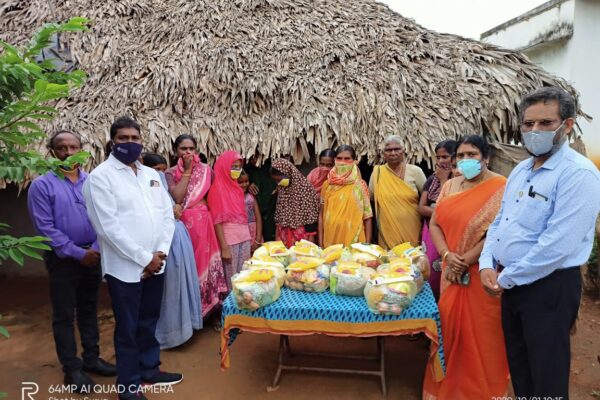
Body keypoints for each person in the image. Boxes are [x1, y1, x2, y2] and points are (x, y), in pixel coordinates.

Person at [479, 87, 600, 399]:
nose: (534, 131)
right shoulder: (520, 170)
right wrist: (485, 265)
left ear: (567, 125)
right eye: (528, 124)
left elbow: (557, 245)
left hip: (549, 287)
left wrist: (505, 278)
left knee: (546, 371)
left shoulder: (578, 174)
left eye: (545, 123)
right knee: (520, 365)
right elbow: (500, 221)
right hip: (511, 282)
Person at [83, 117, 181, 400]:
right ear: (113, 141)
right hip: (125, 268)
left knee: (149, 320)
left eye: (134, 138)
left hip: (156, 263)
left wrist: (159, 252)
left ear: (141, 141)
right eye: (123, 138)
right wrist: (144, 258)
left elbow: (166, 215)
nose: (129, 143)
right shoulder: (100, 177)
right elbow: (107, 228)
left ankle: (149, 369)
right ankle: (128, 386)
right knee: (127, 328)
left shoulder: (152, 175)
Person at [27, 130, 116, 393]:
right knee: (64, 315)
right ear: (52, 151)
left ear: (82, 149)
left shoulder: (93, 181)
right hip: (63, 260)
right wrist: (79, 253)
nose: (68, 153)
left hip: (94, 255)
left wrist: (96, 249)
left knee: (89, 309)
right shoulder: (41, 185)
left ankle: (91, 359)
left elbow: (106, 218)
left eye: (73, 147)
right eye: (61, 148)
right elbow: (46, 228)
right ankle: (72, 368)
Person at [423, 135, 509, 399]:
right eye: (460, 155)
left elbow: (497, 232)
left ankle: (483, 391)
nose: (465, 160)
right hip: (451, 271)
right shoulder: (450, 186)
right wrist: (449, 256)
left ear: (486, 158)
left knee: (483, 336)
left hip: (482, 273)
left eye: (471, 155)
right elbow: (435, 223)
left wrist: (466, 260)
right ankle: (446, 389)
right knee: (448, 329)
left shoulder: (501, 187)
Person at [165, 135, 227, 324]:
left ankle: (213, 314)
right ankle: (192, 317)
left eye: (191, 148)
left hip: (205, 226)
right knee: (189, 269)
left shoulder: (207, 171)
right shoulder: (170, 173)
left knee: (208, 267)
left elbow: (217, 196)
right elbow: (177, 198)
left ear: (196, 150)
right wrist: (188, 171)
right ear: (176, 150)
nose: (187, 152)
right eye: (183, 149)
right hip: (183, 229)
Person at [142, 152, 202, 349]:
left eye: (162, 170)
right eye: (155, 170)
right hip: (163, 243)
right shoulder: (144, 187)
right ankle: (170, 334)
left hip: (177, 240)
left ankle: (184, 329)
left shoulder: (162, 186)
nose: (159, 175)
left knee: (180, 284)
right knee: (170, 289)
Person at [369, 135, 426, 249]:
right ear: (384, 153)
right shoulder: (377, 173)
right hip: (387, 232)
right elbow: (371, 199)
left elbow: (427, 198)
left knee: (413, 262)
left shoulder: (415, 171)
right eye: (389, 150)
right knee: (389, 265)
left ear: (403, 151)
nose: (393, 153)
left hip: (413, 229)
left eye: (397, 149)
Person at [417, 140, 457, 300]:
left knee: (446, 269)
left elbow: (452, 206)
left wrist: (444, 180)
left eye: (445, 156)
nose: (441, 161)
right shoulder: (431, 179)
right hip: (431, 232)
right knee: (430, 270)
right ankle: (431, 302)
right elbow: (421, 207)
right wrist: (439, 211)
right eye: (438, 157)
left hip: (450, 233)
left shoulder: (460, 180)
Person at [208, 150, 252, 290]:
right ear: (224, 166)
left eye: (239, 167)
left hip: (244, 238)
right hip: (229, 241)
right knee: (231, 282)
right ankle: (230, 310)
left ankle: (242, 310)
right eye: (233, 167)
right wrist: (224, 247)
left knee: (244, 278)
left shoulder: (237, 188)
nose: (236, 170)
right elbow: (217, 221)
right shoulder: (217, 189)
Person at [319, 145, 372, 247]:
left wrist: (367, 244)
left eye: (347, 158)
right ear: (335, 160)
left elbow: (368, 216)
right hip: (331, 241)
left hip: (355, 241)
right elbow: (321, 215)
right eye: (339, 158)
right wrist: (321, 244)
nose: (343, 162)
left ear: (354, 160)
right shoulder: (327, 185)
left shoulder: (360, 185)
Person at [270, 158, 320, 247]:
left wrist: (311, 239)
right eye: (276, 181)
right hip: (284, 236)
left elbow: (311, 216)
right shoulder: (282, 189)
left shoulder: (305, 189)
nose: (278, 183)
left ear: (288, 174)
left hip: (302, 237)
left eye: (279, 180)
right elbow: (279, 216)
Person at [245, 155, 278, 241]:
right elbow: (241, 182)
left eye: (255, 156)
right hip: (255, 212)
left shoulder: (271, 167)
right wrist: (248, 185)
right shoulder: (248, 169)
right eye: (251, 158)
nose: (254, 160)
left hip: (272, 209)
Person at [238, 169, 263, 252]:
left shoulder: (251, 197)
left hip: (254, 233)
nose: (245, 184)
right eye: (240, 182)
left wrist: (258, 239)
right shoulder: (232, 199)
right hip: (240, 235)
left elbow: (258, 218)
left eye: (247, 181)